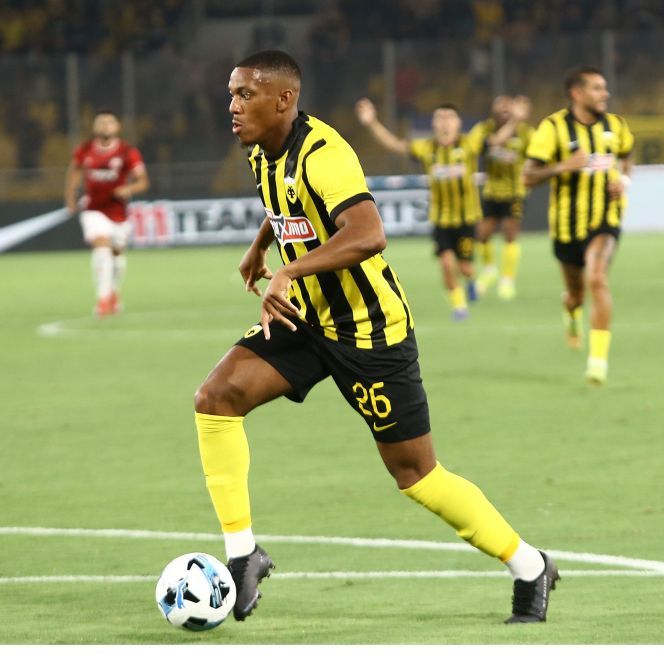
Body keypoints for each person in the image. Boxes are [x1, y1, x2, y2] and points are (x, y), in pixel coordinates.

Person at [195, 49, 558, 625]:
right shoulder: (261, 148)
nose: (233, 107)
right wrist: (262, 244)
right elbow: (286, 200)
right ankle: (243, 556)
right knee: (216, 398)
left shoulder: (325, 153)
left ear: (284, 99)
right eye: (231, 94)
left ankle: (530, 565)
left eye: (245, 95)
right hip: (305, 318)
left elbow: (368, 233)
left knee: (416, 475)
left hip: (371, 332)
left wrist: (288, 271)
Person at [523, 66, 634, 384]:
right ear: (577, 93)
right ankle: (571, 309)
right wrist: (563, 166)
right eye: (597, 88)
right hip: (566, 228)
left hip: (605, 219)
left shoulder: (616, 125)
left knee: (597, 278)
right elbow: (528, 176)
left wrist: (623, 181)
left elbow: (627, 156)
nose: (605, 94)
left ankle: (597, 362)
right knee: (577, 294)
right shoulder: (553, 128)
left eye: (605, 88)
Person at [355, 98, 482, 320]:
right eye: (440, 118)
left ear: (458, 123)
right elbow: (394, 145)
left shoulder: (469, 144)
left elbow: (497, 139)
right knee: (446, 264)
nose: (445, 122)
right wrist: (371, 122)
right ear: (433, 124)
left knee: (465, 268)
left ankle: (471, 281)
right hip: (441, 220)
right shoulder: (426, 148)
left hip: (467, 218)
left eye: (449, 117)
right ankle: (460, 307)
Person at [65, 110, 149, 317]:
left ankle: (113, 290)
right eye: (101, 122)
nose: (105, 125)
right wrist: (70, 199)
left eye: (109, 122)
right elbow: (74, 173)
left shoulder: (127, 152)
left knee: (116, 255)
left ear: (117, 126)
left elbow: (143, 181)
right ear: (95, 127)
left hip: (118, 213)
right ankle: (102, 300)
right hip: (93, 210)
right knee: (102, 246)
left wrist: (128, 189)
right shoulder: (84, 150)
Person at [471, 95, 535, 300]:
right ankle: (489, 270)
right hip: (491, 191)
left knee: (510, 233)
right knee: (482, 233)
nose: (504, 109)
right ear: (493, 109)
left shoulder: (526, 132)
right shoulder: (484, 129)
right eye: (500, 106)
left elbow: (539, 156)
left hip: (515, 192)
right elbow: (486, 144)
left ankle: (507, 280)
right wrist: (515, 120)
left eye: (509, 107)